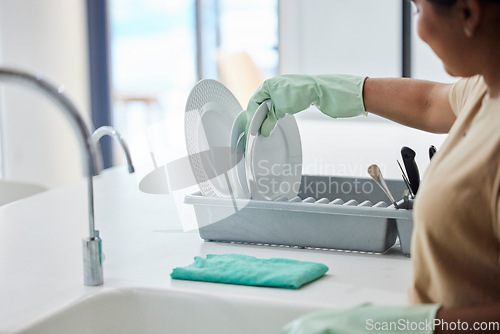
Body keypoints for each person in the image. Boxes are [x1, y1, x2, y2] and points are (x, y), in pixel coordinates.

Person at [245, 0, 500, 332]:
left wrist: (407, 326)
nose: (419, 30)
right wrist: (325, 89)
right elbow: (429, 102)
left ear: (468, 13)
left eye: (418, 10)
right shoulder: (486, 88)